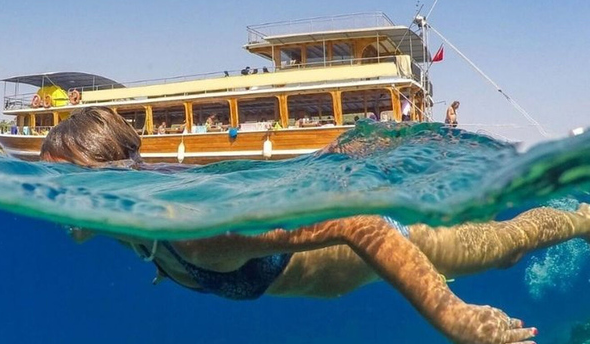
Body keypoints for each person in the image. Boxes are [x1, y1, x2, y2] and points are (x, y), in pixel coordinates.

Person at [41, 107, 590, 344]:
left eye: (70, 188)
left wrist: (454, 317)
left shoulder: (198, 234)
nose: (57, 202)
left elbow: (359, 224)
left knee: (502, 247)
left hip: (378, 244)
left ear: (116, 179)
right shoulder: (110, 217)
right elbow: (86, 224)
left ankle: (584, 216)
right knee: (496, 247)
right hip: (329, 275)